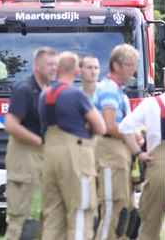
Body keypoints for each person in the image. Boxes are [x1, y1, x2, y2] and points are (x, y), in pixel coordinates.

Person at [39, 51, 106, 239]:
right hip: (75, 155)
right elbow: (100, 127)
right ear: (77, 71)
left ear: (57, 69)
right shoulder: (77, 95)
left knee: (52, 215)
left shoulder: (45, 95)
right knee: (80, 211)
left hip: (50, 153)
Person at [3, 46, 58, 239]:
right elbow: (10, 124)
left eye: (55, 65)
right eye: (49, 65)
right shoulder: (24, 89)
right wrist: (39, 141)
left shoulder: (49, 90)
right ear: (37, 66)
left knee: (42, 220)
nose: (53, 68)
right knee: (20, 221)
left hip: (44, 158)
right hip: (24, 156)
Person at [94, 43, 139, 240]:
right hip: (110, 152)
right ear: (117, 65)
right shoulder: (110, 90)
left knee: (123, 208)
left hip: (117, 152)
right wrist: (133, 138)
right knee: (113, 207)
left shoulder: (117, 91)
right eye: (130, 64)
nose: (134, 70)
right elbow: (110, 125)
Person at [118, 69, 165, 240]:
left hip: (158, 165)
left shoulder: (151, 103)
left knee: (149, 225)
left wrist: (138, 152)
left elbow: (124, 127)